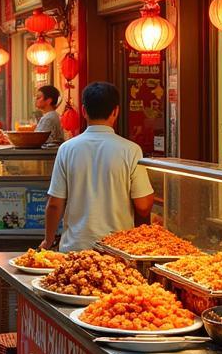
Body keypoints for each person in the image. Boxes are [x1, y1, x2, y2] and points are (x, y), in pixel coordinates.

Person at [41, 81, 155, 252]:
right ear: (116, 111)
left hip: (76, 249)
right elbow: (143, 206)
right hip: (118, 250)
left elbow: (55, 204)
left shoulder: (67, 149)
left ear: (84, 111)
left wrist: (48, 241)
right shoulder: (131, 150)